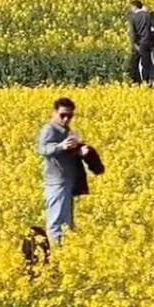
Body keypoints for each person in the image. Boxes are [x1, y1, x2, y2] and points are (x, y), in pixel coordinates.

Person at [35, 97, 102, 246]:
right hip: (56, 182)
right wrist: (62, 146)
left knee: (67, 222)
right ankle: (54, 255)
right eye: (62, 115)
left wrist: (79, 151)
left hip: (67, 182)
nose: (66, 119)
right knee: (57, 221)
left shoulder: (66, 131)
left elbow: (65, 153)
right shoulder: (49, 129)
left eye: (70, 116)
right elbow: (42, 149)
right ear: (54, 113)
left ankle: (65, 253)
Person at [128, 0, 154, 88]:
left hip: (140, 43)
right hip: (149, 42)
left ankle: (141, 82)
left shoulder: (133, 17)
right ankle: (150, 81)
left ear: (135, 7)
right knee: (148, 62)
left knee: (139, 63)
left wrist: (134, 44)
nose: (131, 9)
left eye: (131, 7)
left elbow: (133, 33)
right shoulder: (148, 15)